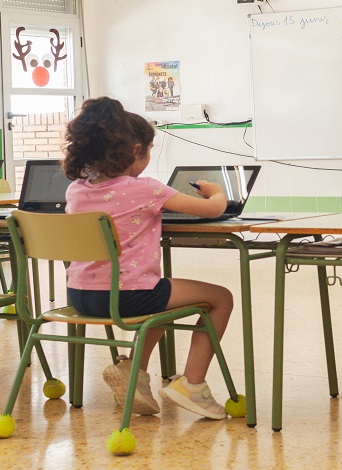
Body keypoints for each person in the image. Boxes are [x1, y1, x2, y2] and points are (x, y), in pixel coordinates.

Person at [62, 96, 235, 420]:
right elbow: (212, 210)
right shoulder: (146, 189)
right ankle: (193, 384)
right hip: (128, 296)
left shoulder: (76, 191)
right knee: (221, 297)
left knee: (161, 297)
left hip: (80, 296)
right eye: (149, 150)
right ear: (135, 151)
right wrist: (216, 192)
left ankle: (135, 372)